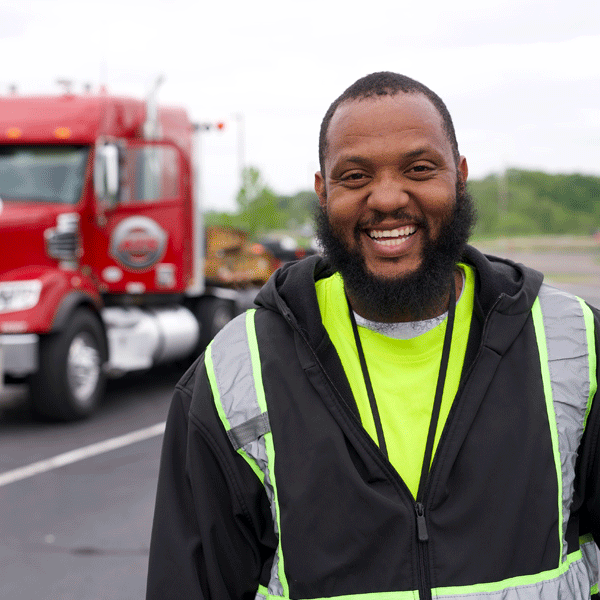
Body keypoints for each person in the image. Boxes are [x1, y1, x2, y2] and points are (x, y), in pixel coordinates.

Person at [146, 72, 600, 600]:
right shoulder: (234, 371)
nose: (386, 199)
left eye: (419, 169)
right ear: (323, 191)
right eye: (355, 176)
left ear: (460, 175)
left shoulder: (576, 345)